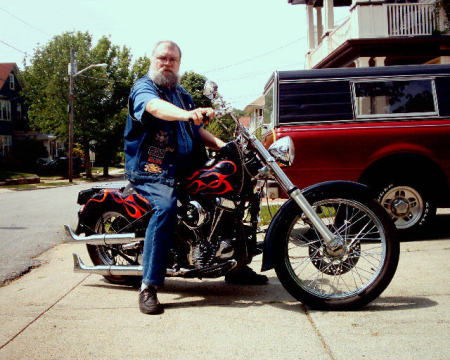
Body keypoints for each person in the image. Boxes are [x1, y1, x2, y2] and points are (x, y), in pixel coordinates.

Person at [124, 40, 267, 315]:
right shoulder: (144, 88)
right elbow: (154, 108)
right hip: (153, 170)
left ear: (179, 64)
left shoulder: (182, 94)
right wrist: (189, 115)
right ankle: (148, 286)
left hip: (186, 165)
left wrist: (223, 145)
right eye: (162, 58)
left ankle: (237, 266)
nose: (167, 63)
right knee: (164, 209)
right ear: (152, 60)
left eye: (172, 60)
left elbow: (195, 130)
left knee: (234, 193)